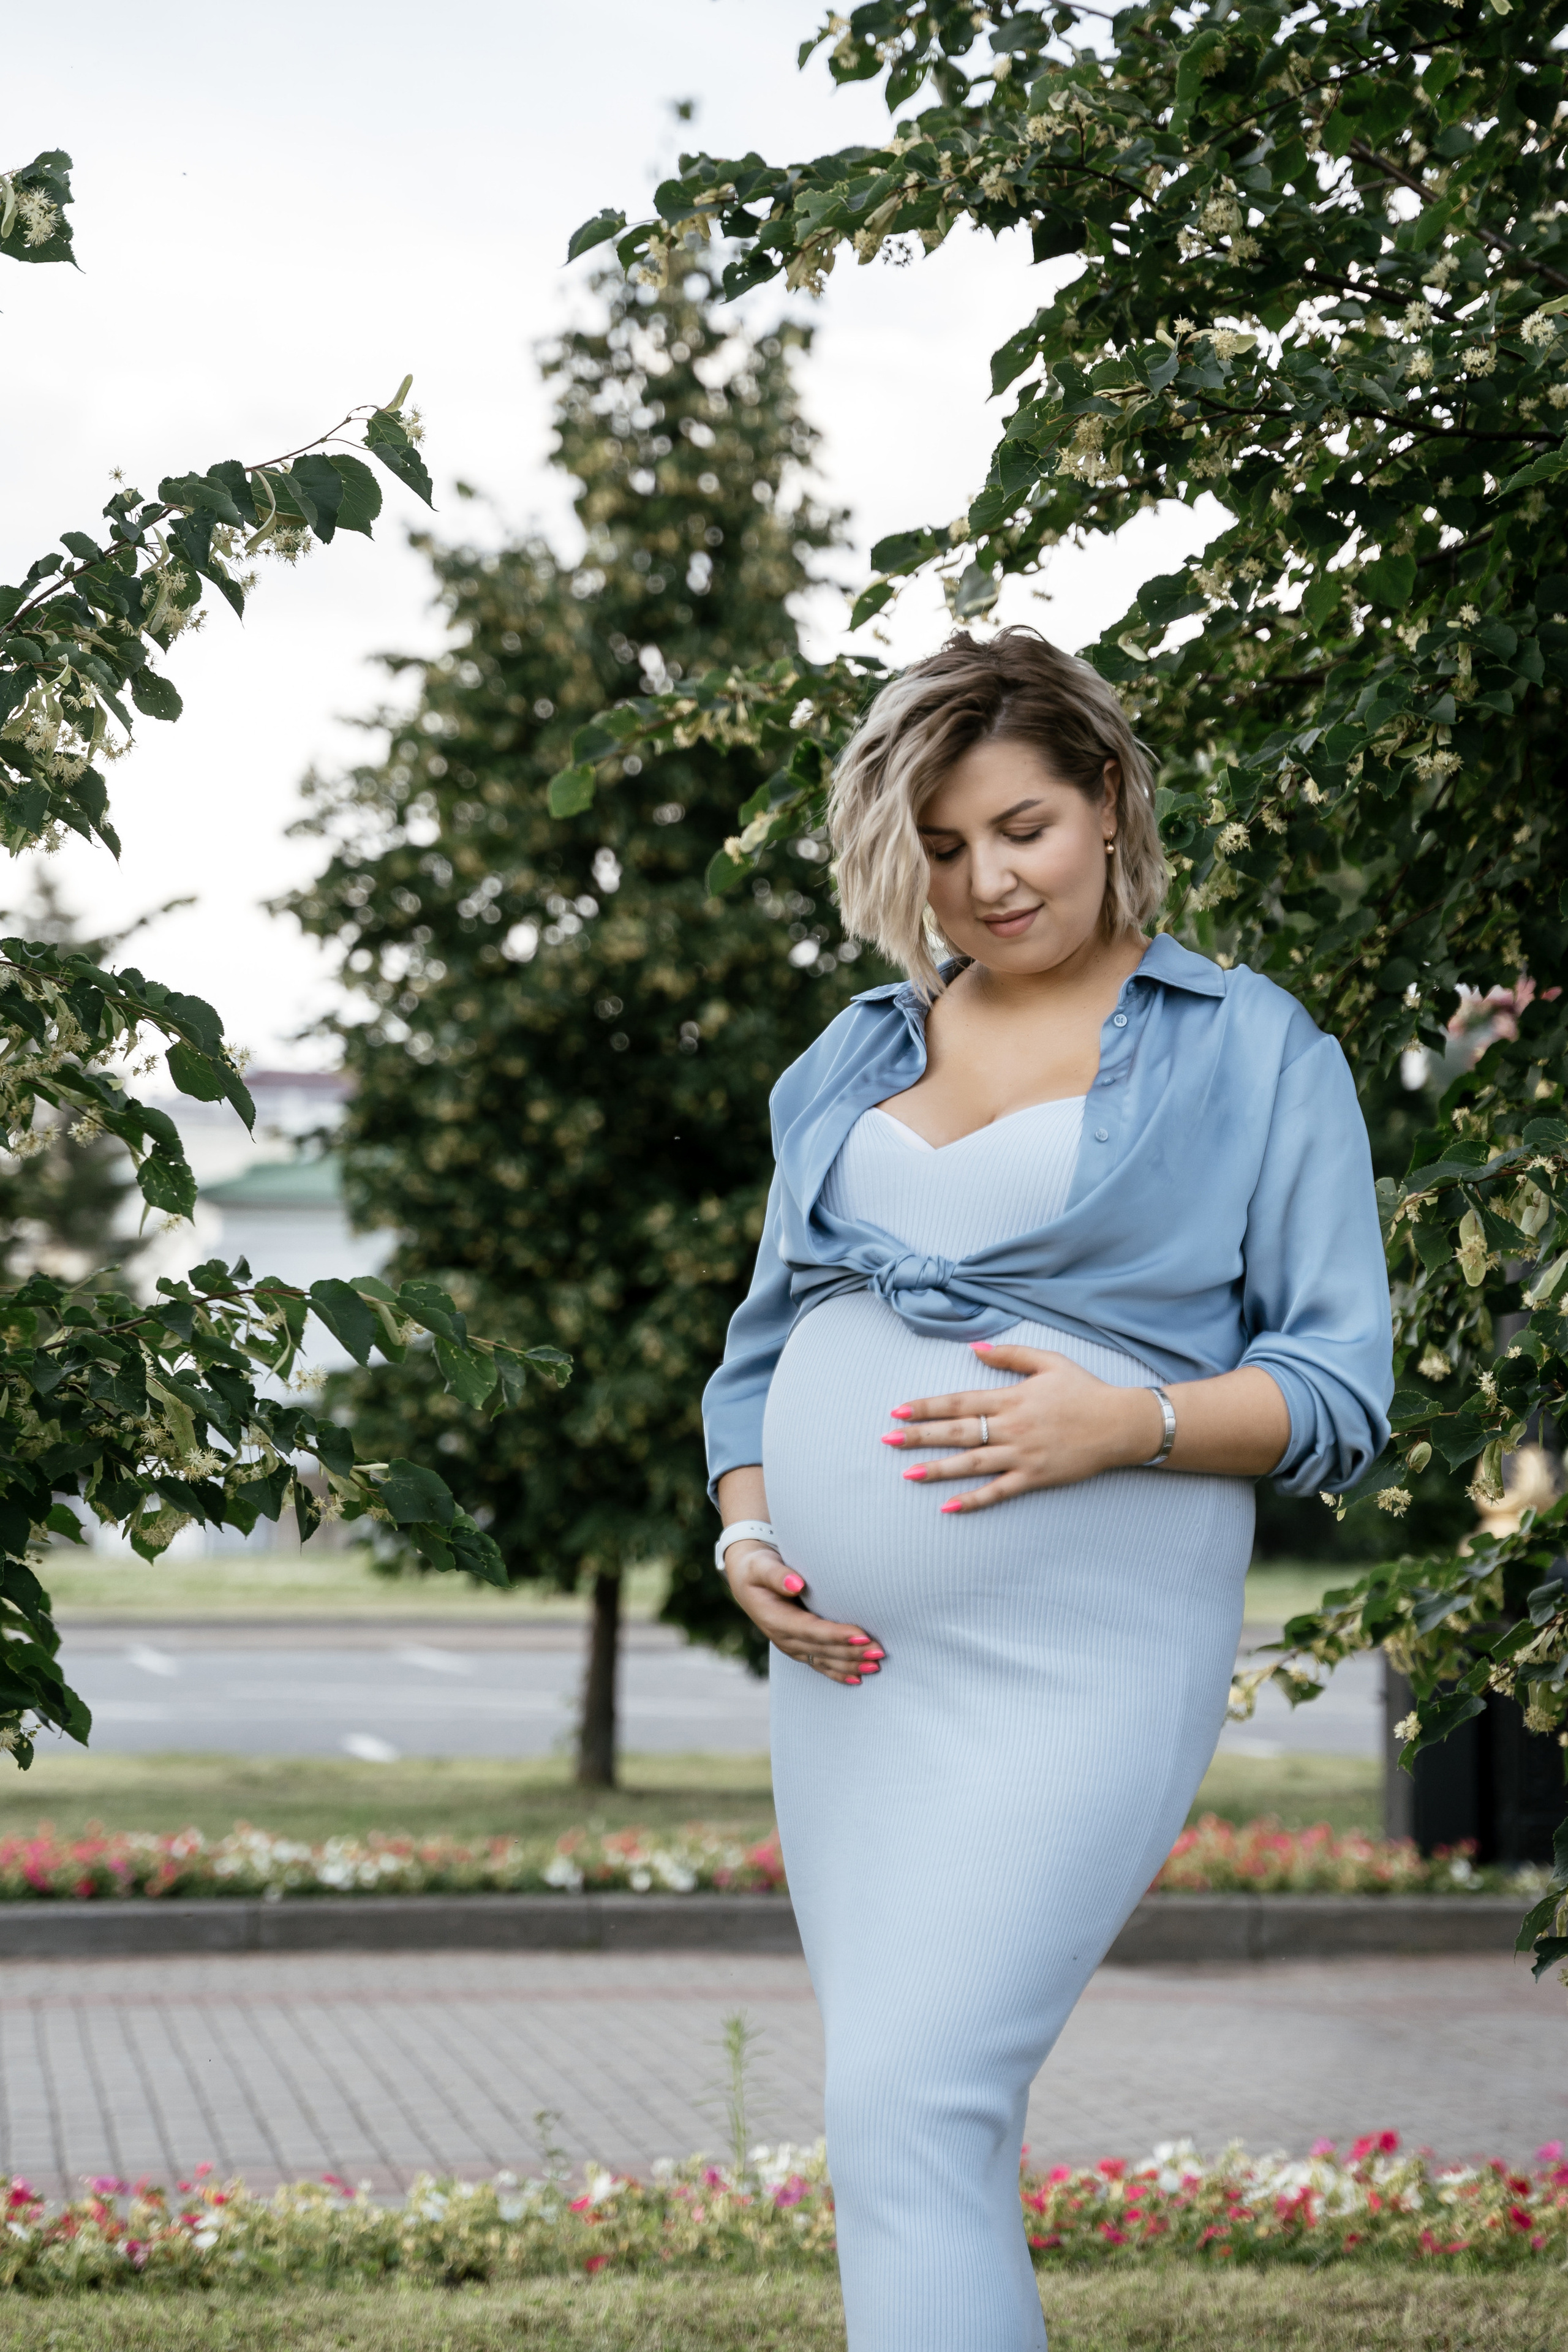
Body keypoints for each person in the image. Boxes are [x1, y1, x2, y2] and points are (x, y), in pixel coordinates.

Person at [703, 627, 1392, 2352]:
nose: (984, 880)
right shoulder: (845, 1063)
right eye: (940, 848)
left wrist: (1127, 1425)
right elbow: (756, 1354)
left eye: (1019, 827)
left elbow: (1339, 1389)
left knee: (911, 2103)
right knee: (906, 2117)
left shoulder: (1251, 1048)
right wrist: (748, 1523)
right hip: (848, 1675)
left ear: (1106, 802)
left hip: (1082, 1653)